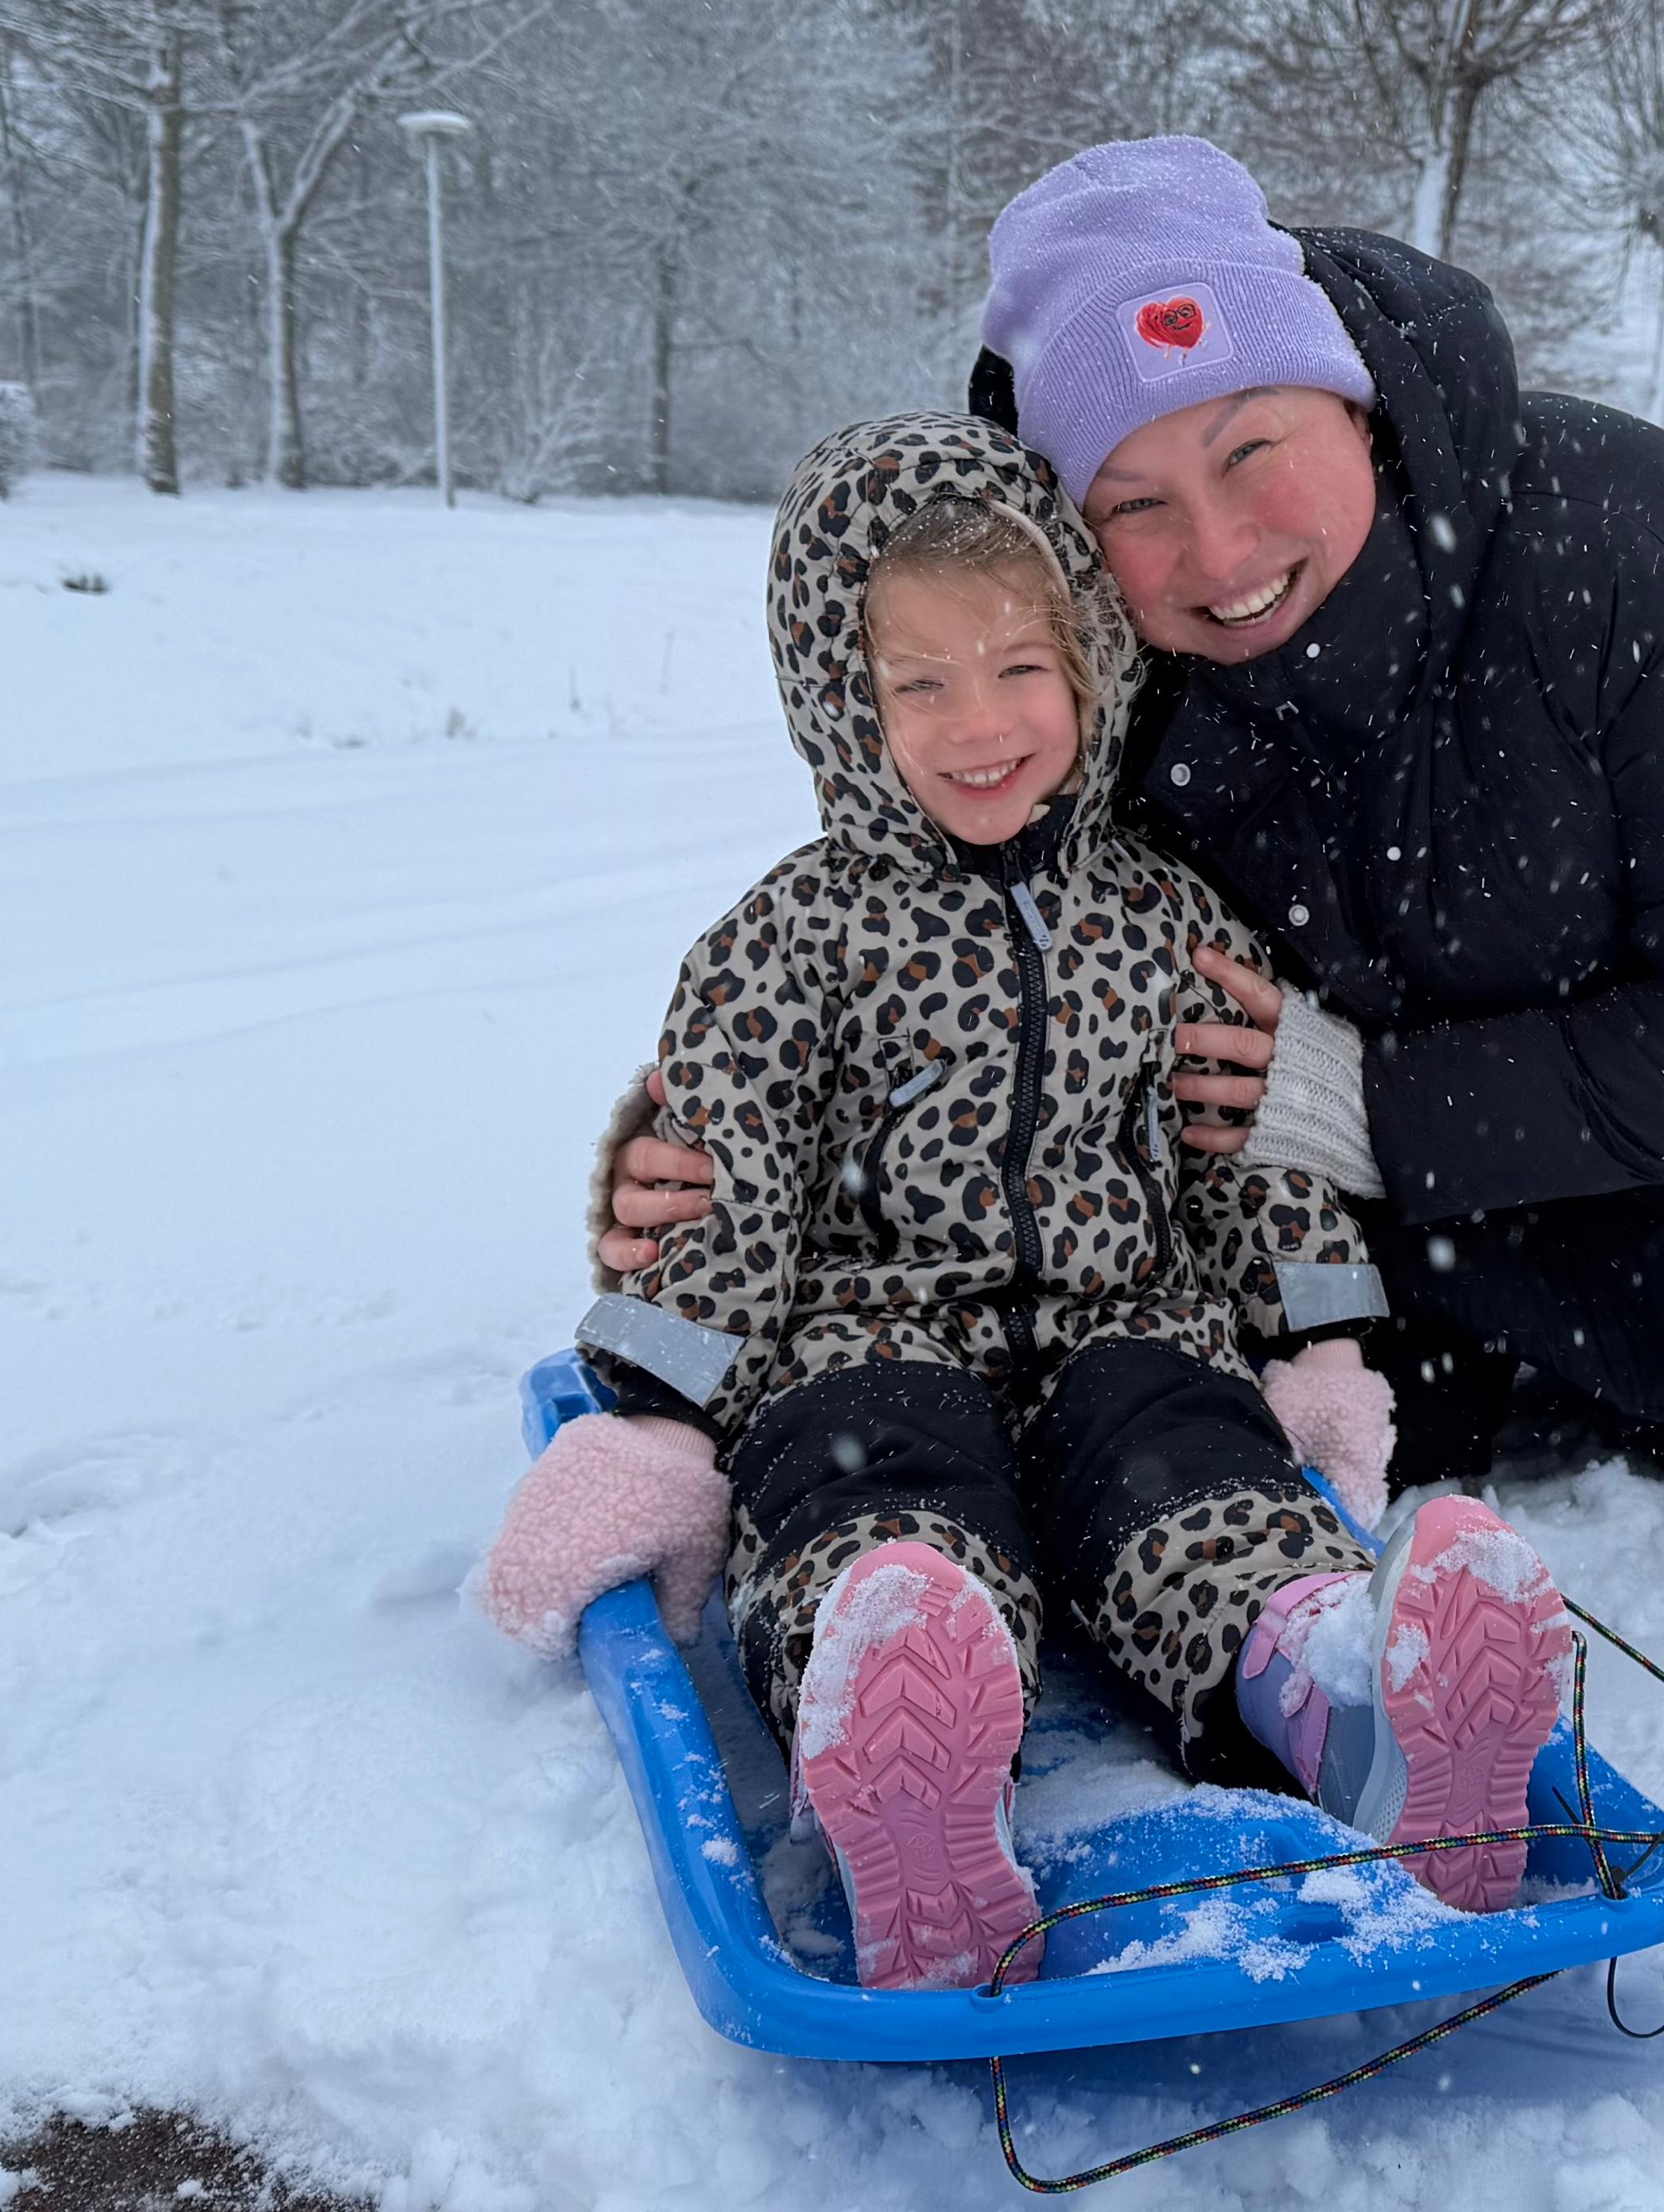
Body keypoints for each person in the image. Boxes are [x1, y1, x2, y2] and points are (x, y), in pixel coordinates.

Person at [603, 137, 1664, 1536]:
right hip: (1316, 1202)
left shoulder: (1628, 535)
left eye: (1253, 451)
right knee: (1123, 1390)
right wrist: (739, 1151)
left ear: (1350, 399)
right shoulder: (1076, 660)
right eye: (1137, 504)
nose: (1222, 553)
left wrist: (1381, 1105)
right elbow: (965, 947)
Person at [475, 414, 1580, 1991]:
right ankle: (911, 1747)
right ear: (844, 706)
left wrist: (1317, 1345)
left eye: (1015, 670)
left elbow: (1251, 1146)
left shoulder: (1167, 915)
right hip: (867, 1334)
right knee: (878, 1509)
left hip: (1126, 1323)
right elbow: (725, 1170)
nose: (973, 723)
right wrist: (659, 1418)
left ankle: (1346, 1690)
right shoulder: (791, 936)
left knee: (1193, 1480)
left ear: (1087, 667)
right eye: (915, 684)